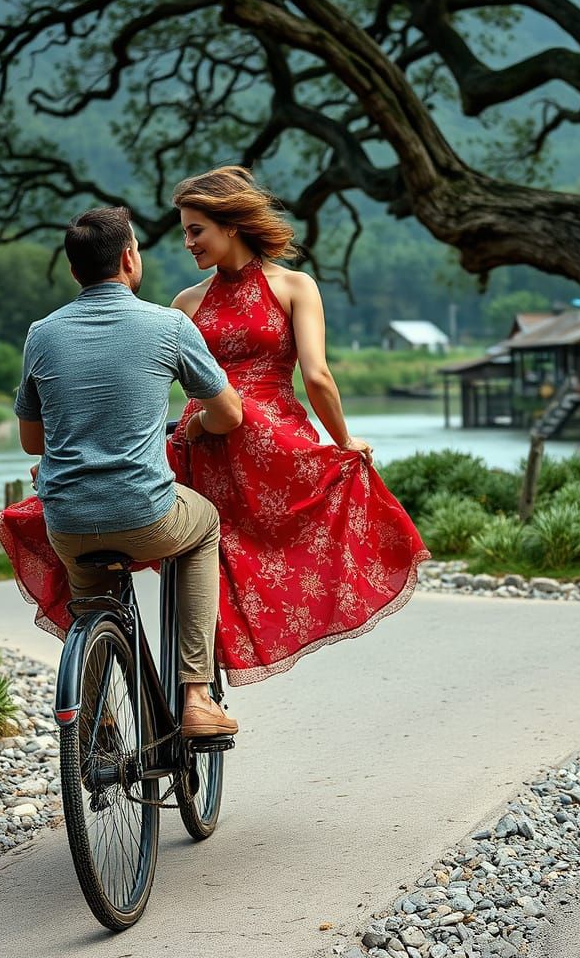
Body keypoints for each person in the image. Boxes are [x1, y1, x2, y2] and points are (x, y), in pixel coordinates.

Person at [166, 165, 429, 685]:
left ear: (231, 224)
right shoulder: (203, 300)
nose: (188, 243)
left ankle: (190, 687)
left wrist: (341, 442)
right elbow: (316, 376)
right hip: (222, 442)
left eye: (196, 230)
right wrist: (344, 442)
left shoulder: (249, 293)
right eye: (184, 233)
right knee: (220, 557)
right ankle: (189, 688)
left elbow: (318, 377)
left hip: (238, 441)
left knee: (213, 558)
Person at [0, 206, 243, 738]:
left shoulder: (42, 333)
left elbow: (31, 441)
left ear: (74, 272)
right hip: (146, 514)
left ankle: (95, 716)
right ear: (129, 257)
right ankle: (197, 695)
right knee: (204, 525)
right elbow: (229, 413)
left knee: (94, 598)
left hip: (68, 521)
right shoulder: (168, 324)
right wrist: (193, 429)